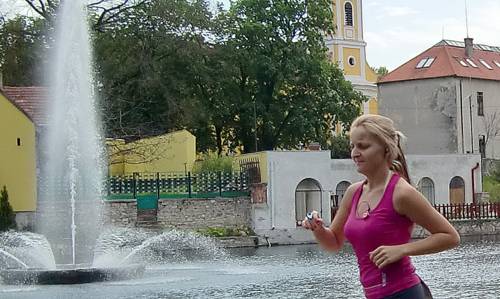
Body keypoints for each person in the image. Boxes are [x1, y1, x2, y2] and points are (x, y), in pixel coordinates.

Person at [302, 114, 460, 299]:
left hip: (404, 292)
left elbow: (450, 236)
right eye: (352, 146)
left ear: (386, 148)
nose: (354, 153)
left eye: (363, 146)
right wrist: (317, 228)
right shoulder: (354, 193)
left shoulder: (401, 193)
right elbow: (334, 242)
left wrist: (402, 249)